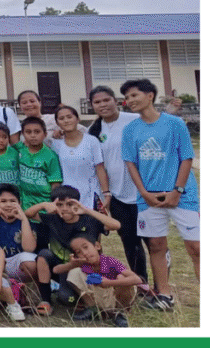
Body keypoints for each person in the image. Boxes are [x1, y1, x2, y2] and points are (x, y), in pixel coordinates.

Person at [120, 78, 199, 310]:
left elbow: (186, 157)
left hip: (182, 195)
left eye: (134, 95)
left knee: (197, 248)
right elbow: (131, 164)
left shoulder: (174, 123)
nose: (130, 100)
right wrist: (144, 193)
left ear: (150, 95)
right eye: (127, 97)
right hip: (148, 198)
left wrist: (177, 191)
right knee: (155, 245)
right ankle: (164, 296)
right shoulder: (130, 129)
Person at [26, 185, 121, 316]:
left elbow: (116, 225)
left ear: (77, 204)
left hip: (83, 268)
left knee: (67, 299)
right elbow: (28, 214)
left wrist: (87, 210)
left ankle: (83, 298)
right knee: (43, 255)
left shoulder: (89, 220)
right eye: (59, 204)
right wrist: (43, 205)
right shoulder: (52, 219)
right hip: (62, 268)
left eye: (70, 204)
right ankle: (45, 301)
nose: (65, 208)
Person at [85, 85, 147, 284]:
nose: (103, 105)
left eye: (106, 100)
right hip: (117, 195)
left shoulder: (135, 120)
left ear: (117, 100)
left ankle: (161, 288)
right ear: (92, 105)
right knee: (130, 242)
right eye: (97, 102)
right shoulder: (93, 131)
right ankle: (141, 282)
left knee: (153, 242)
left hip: (143, 192)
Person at [58, 235, 141, 327]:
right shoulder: (85, 265)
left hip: (115, 296)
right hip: (101, 296)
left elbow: (137, 279)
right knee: (74, 273)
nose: (85, 253)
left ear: (97, 246)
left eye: (86, 247)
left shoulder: (110, 261)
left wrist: (109, 283)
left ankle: (119, 313)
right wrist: (73, 264)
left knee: (121, 277)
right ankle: (94, 309)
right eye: (79, 252)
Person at [50, 105, 105, 210]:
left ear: (77, 119)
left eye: (69, 117)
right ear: (57, 123)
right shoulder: (56, 145)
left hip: (91, 194)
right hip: (67, 196)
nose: (66, 121)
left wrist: (106, 193)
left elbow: (100, 168)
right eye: (61, 119)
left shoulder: (91, 141)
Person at [16, 116, 63, 211]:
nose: (33, 135)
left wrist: (54, 205)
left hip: (45, 204)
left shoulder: (50, 156)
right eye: (28, 132)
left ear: (45, 134)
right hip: (25, 204)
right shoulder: (20, 150)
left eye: (37, 132)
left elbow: (55, 184)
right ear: (23, 134)